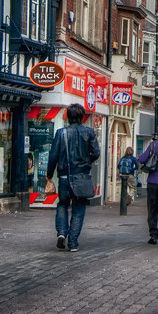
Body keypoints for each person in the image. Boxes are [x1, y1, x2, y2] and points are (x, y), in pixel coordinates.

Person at [46, 103, 101, 253]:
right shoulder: (89, 133)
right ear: (82, 117)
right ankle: (73, 242)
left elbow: (53, 156)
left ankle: (62, 233)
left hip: (64, 177)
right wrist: (86, 161)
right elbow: (96, 152)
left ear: (68, 116)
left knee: (63, 204)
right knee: (78, 209)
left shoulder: (61, 133)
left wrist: (49, 175)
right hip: (82, 176)